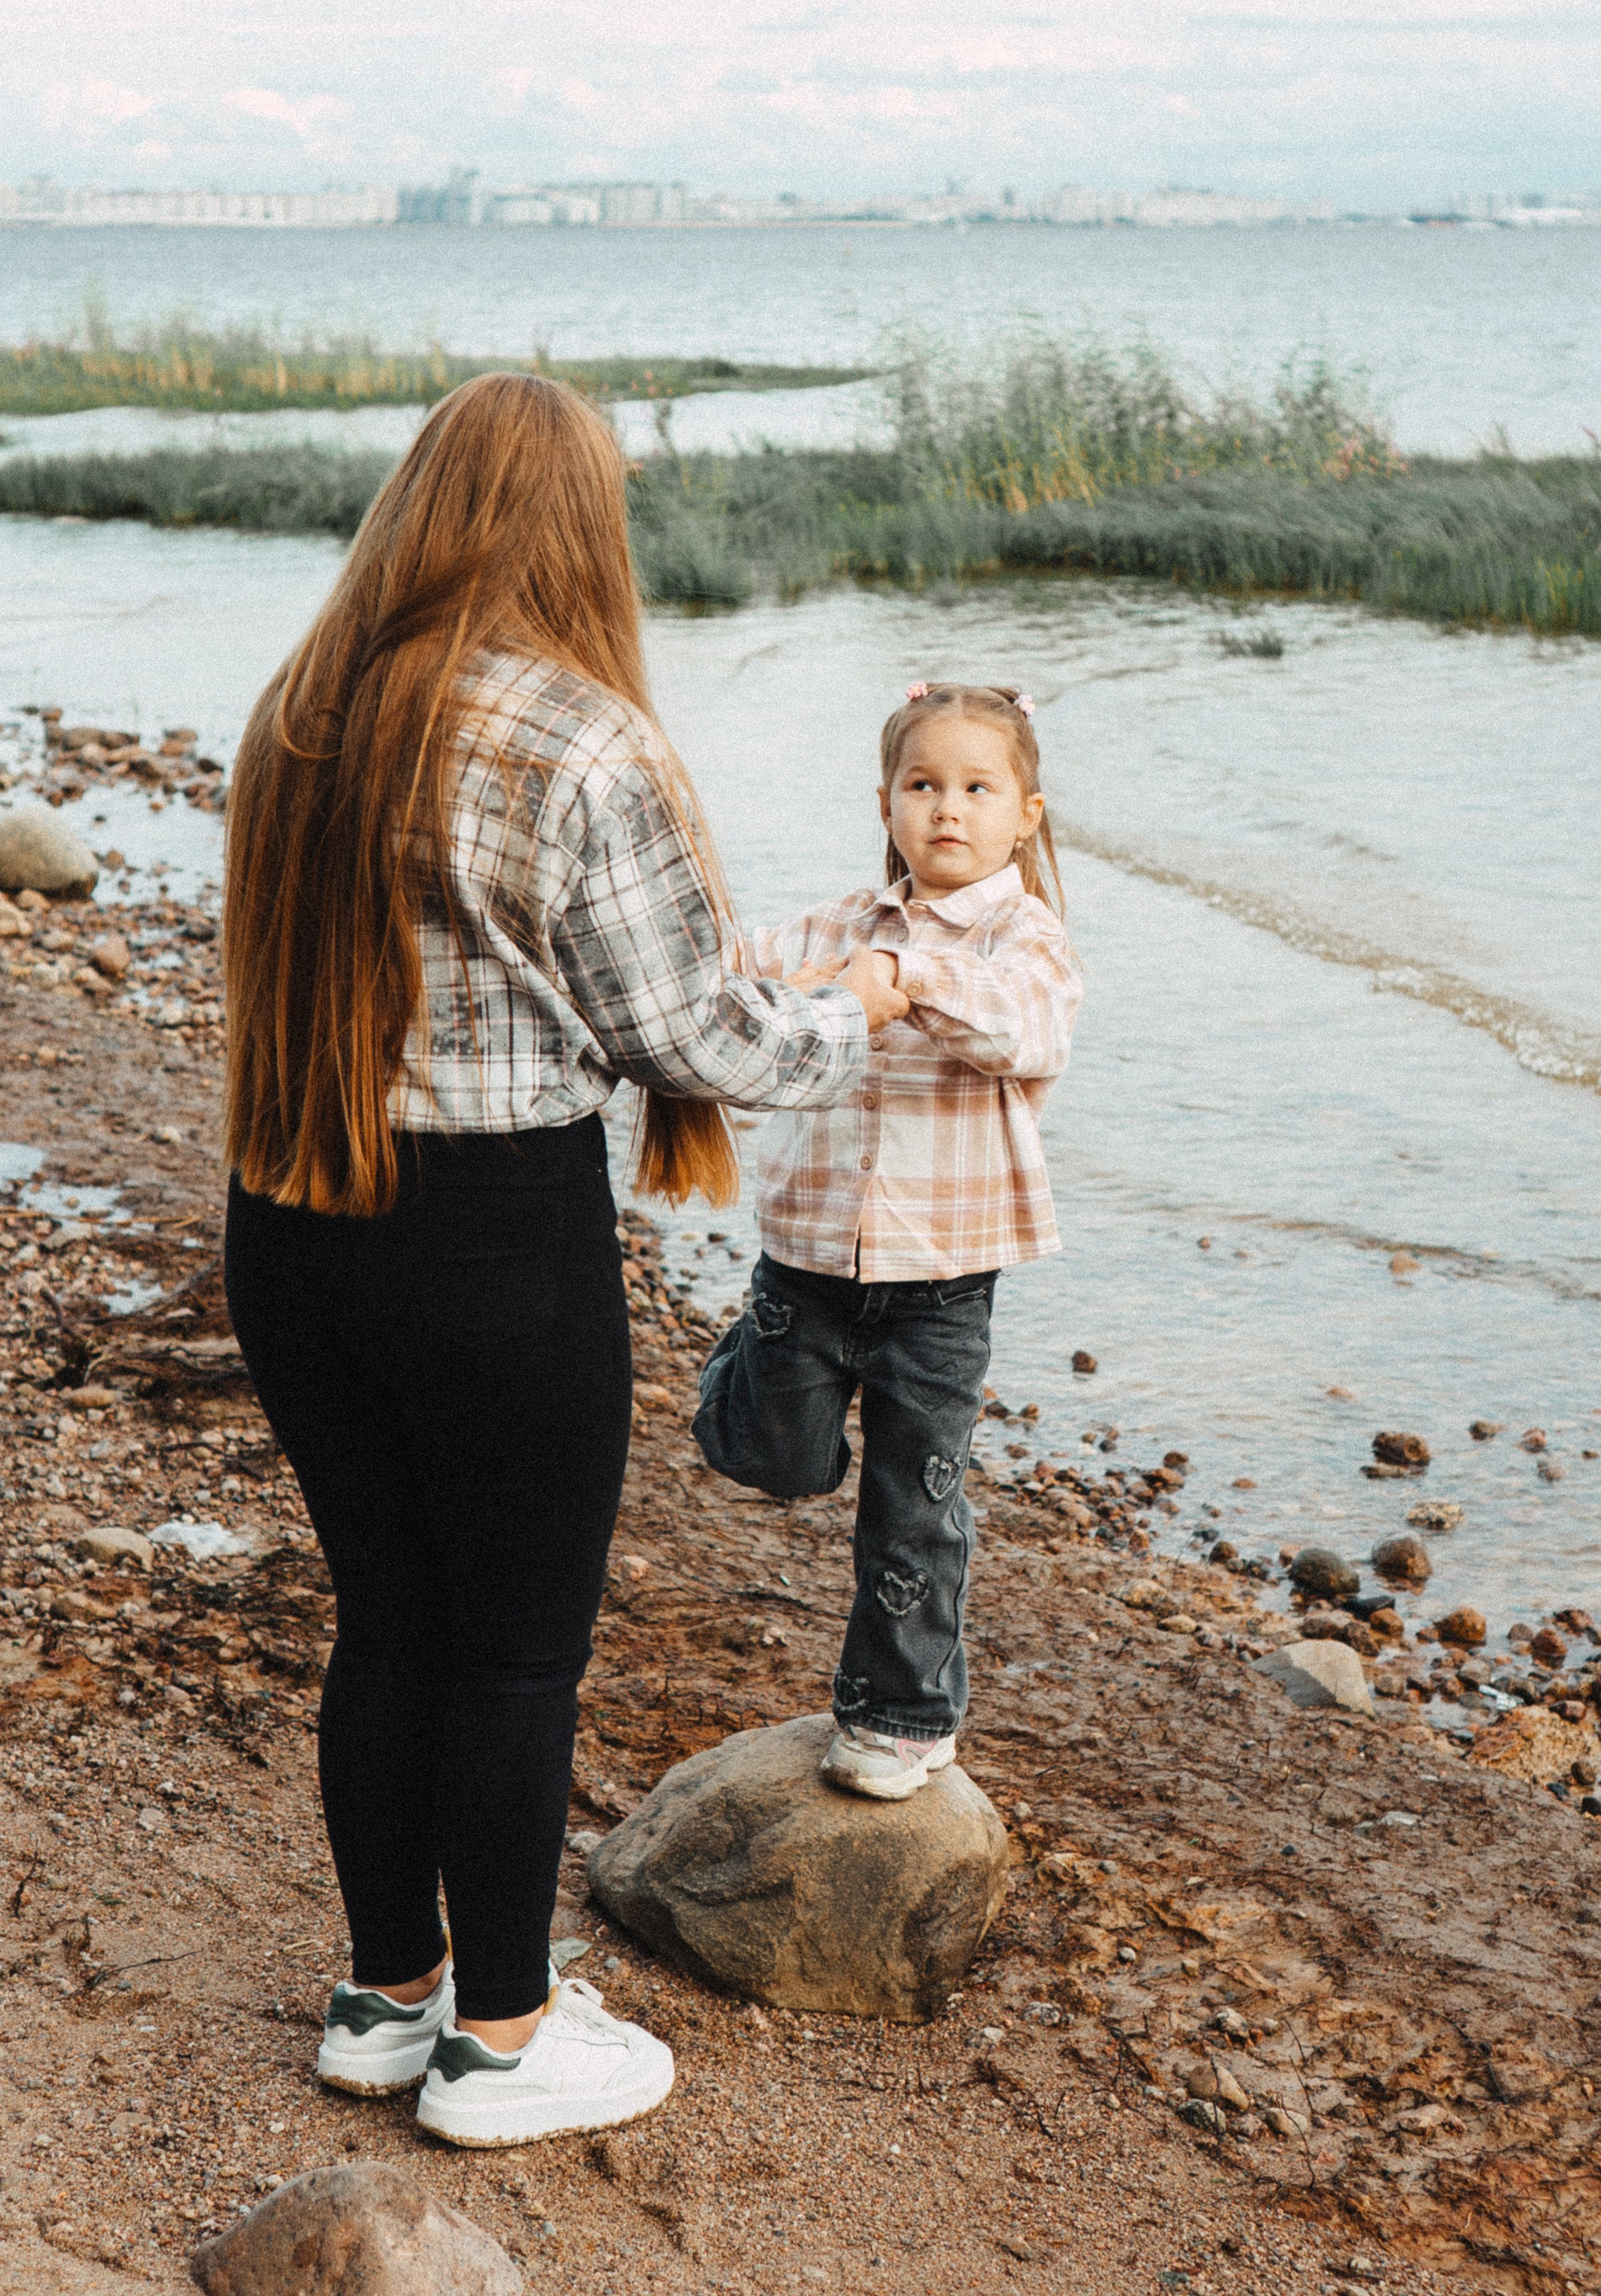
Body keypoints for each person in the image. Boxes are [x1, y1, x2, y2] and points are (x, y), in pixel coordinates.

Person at [221, 373, 904, 2148]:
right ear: (578, 522)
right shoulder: (582, 738)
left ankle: (389, 2000)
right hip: (490, 1241)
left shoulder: (302, 711)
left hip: (294, 1215)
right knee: (515, 1653)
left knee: (388, 1612)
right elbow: (701, 1039)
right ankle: (504, 2043)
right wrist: (859, 1008)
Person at [692, 679, 1082, 1798]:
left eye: (976, 788)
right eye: (923, 786)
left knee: (916, 1506)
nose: (947, 810)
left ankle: (899, 1718)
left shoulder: (1029, 941)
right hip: (806, 1258)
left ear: (1027, 815)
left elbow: (1025, 1028)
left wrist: (905, 983)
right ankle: (738, 1377)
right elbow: (734, 967)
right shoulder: (843, 924)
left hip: (944, 1281)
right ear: (886, 801)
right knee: (779, 1458)